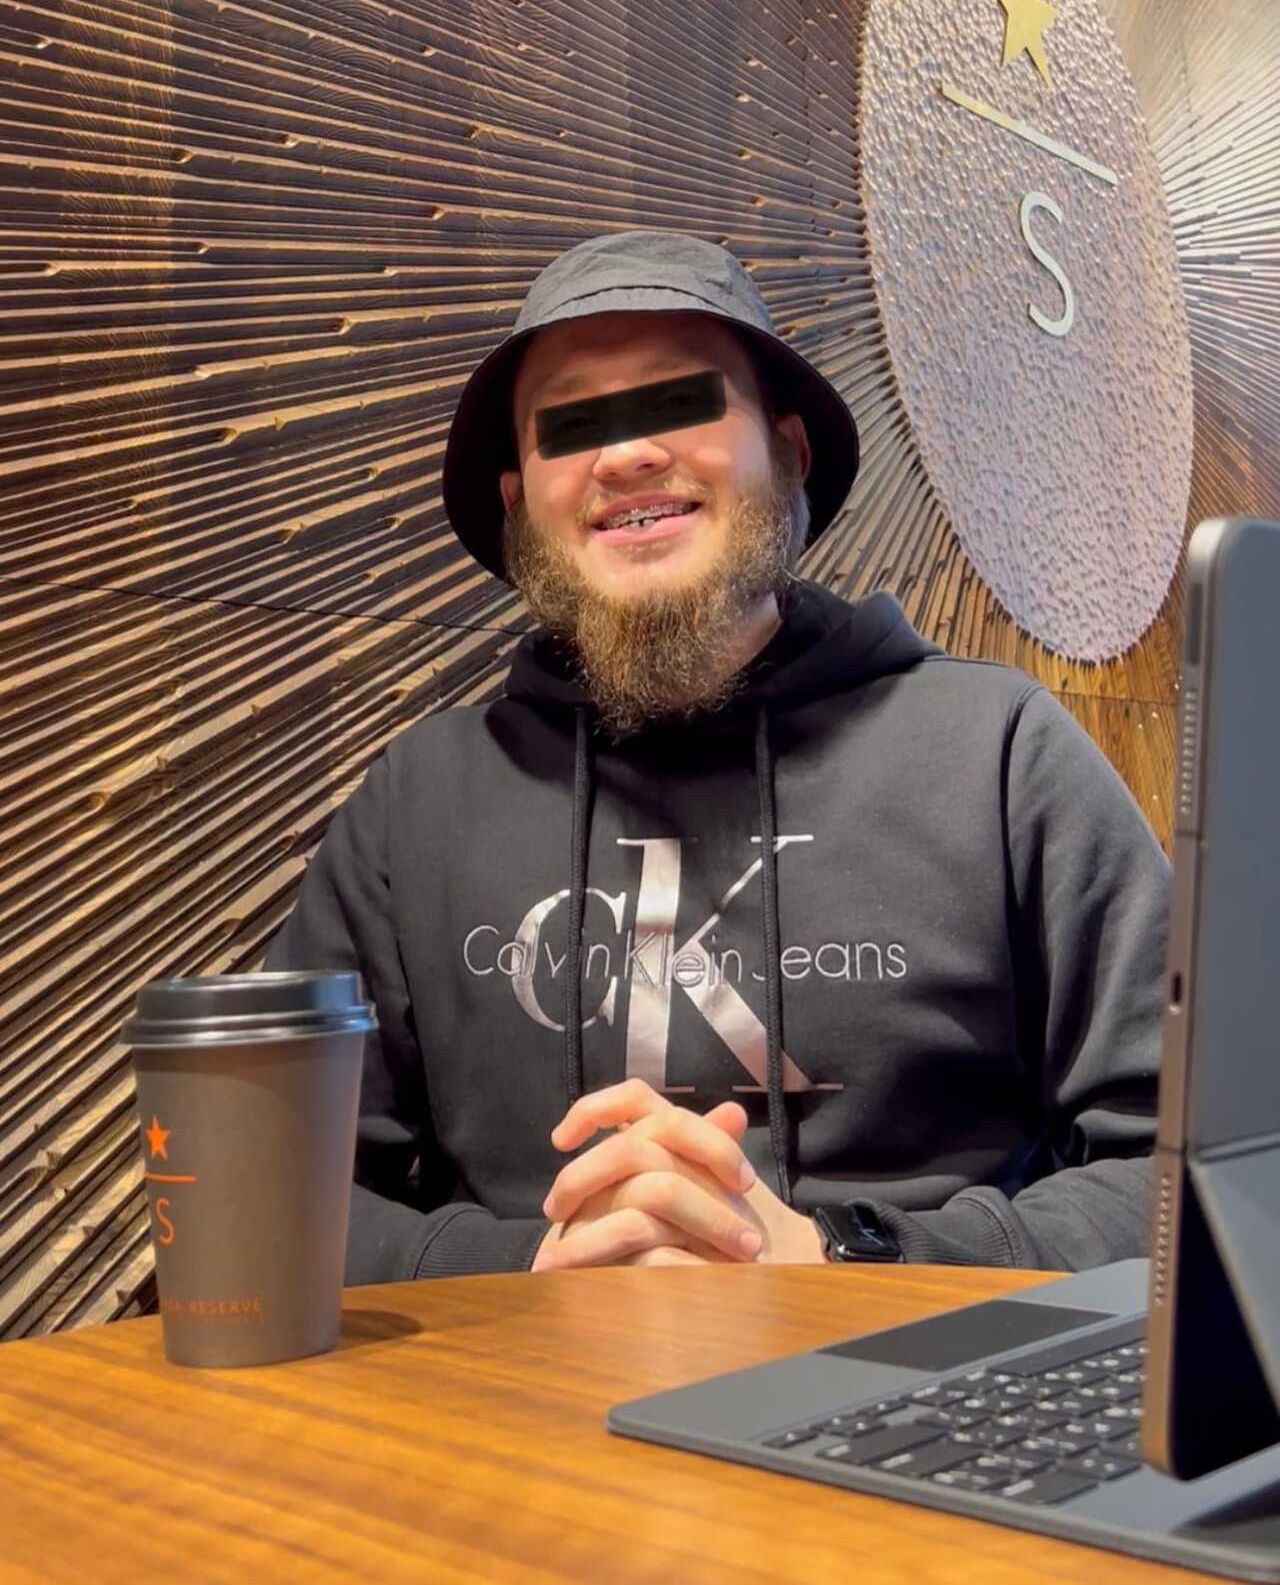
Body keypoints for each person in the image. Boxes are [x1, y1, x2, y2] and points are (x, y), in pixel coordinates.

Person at [262, 230, 1169, 1282]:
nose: (625, 456)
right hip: (511, 1375)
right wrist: (538, 1266)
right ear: (518, 504)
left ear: (786, 454)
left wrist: (844, 1254)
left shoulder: (999, 752)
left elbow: (1204, 1158)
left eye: (679, 400)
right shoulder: (417, 802)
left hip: (921, 1363)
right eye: (570, 424)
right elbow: (268, 1185)